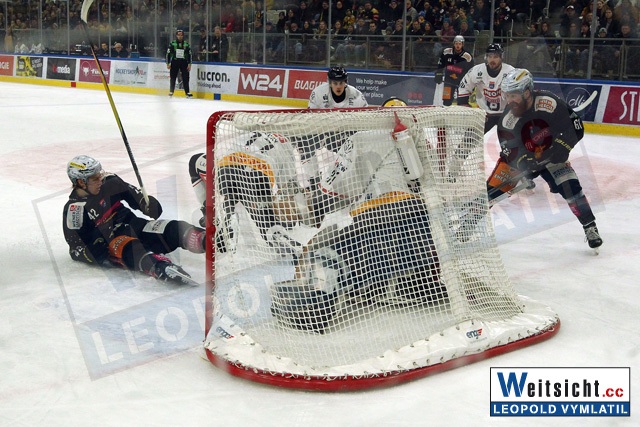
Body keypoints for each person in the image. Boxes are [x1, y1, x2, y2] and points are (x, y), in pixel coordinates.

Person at [486, 69, 603, 249]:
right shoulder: (507, 120)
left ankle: (590, 226)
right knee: (490, 194)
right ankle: (467, 226)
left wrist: (562, 148)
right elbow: (509, 152)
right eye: (507, 95)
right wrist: (524, 162)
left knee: (571, 188)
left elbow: (576, 127)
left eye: (513, 95)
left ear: (527, 92)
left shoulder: (549, 103)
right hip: (524, 160)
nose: (509, 100)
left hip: (552, 155)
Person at [63, 155, 206, 285]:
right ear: (81, 182)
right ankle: (160, 267)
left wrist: (147, 204)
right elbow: (76, 250)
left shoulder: (110, 182)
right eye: (95, 178)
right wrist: (94, 252)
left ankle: (207, 239)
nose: (100, 180)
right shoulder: (75, 210)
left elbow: (135, 197)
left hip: (136, 226)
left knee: (173, 228)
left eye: (100, 175)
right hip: (114, 241)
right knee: (133, 249)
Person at [457, 43, 515, 133]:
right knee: (468, 140)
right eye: (490, 56)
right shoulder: (476, 71)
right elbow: (463, 87)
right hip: (483, 115)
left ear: (501, 57)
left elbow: (518, 94)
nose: (492, 60)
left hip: (505, 115)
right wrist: (464, 104)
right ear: (486, 57)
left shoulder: (510, 72)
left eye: (495, 57)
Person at [434, 35, 474, 107]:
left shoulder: (467, 56)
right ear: (453, 44)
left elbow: (471, 70)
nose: (458, 46)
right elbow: (440, 63)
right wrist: (438, 73)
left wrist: (470, 81)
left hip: (461, 81)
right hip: (448, 80)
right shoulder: (446, 52)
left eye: (459, 44)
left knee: (462, 101)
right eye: (456, 43)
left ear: (462, 44)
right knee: (446, 100)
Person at [166, 29, 193, 97]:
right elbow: (168, 54)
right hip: (175, 61)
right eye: (178, 35)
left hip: (184, 62)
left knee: (185, 77)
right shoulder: (172, 43)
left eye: (181, 35)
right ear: (176, 35)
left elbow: (189, 54)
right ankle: (171, 91)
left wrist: (189, 64)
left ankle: (187, 92)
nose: (180, 36)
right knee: (173, 77)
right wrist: (168, 63)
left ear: (183, 36)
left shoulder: (186, 44)